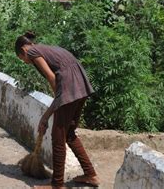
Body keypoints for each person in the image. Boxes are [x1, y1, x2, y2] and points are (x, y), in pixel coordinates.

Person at [15, 32, 100, 188]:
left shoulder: (33, 52)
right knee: (69, 134)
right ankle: (90, 174)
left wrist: (47, 115)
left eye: (22, 59)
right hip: (81, 86)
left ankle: (57, 185)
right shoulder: (47, 48)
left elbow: (52, 78)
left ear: (23, 50)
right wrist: (50, 112)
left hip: (69, 87)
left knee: (58, 137)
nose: (26, 62)